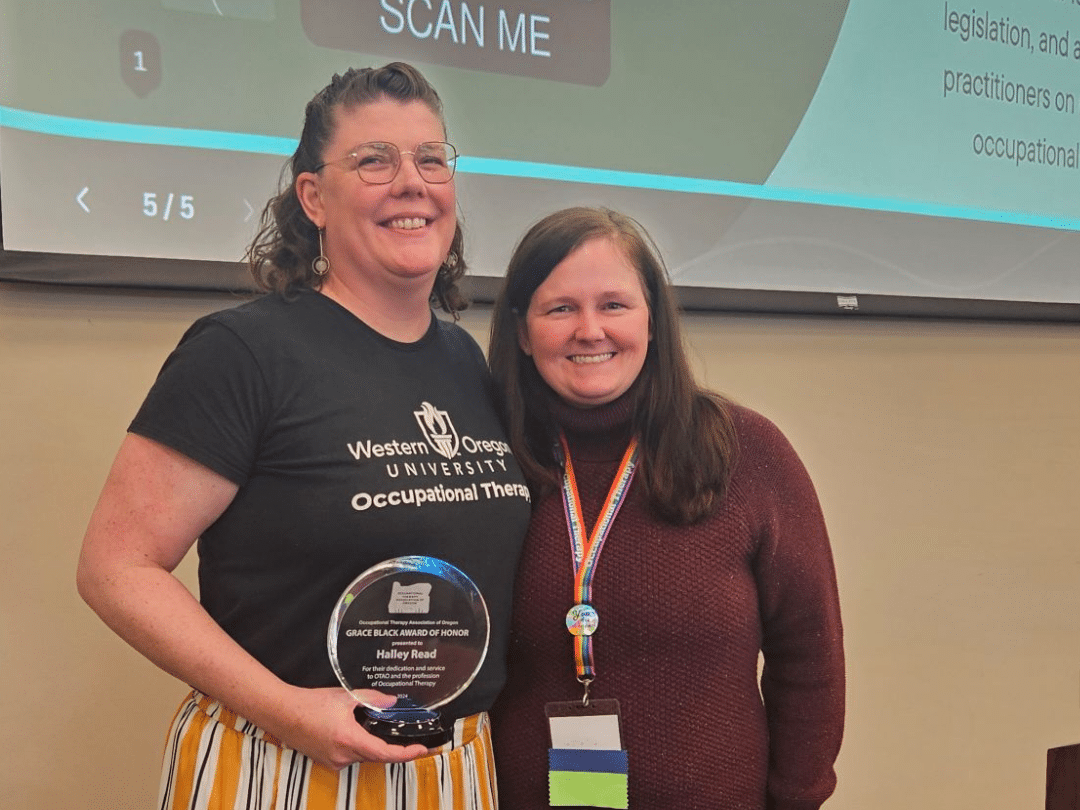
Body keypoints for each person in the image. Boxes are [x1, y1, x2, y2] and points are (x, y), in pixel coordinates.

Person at [76, 63, 530, 810]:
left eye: (431, 159)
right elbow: (115, 568)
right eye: (374, 160)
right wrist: (288, 709)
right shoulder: (243, 352)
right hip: (283, 765)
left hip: (452, 773)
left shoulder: (467, 361)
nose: (411, 181)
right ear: (314, 197)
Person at [487, 207, 845, 809]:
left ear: (653, 320)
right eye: (561, 308)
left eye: (614, 305)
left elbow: (810, 658)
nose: (590, 330)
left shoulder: (746, 452)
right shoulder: (487, 460)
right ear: (522, 332)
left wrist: (798, 798)